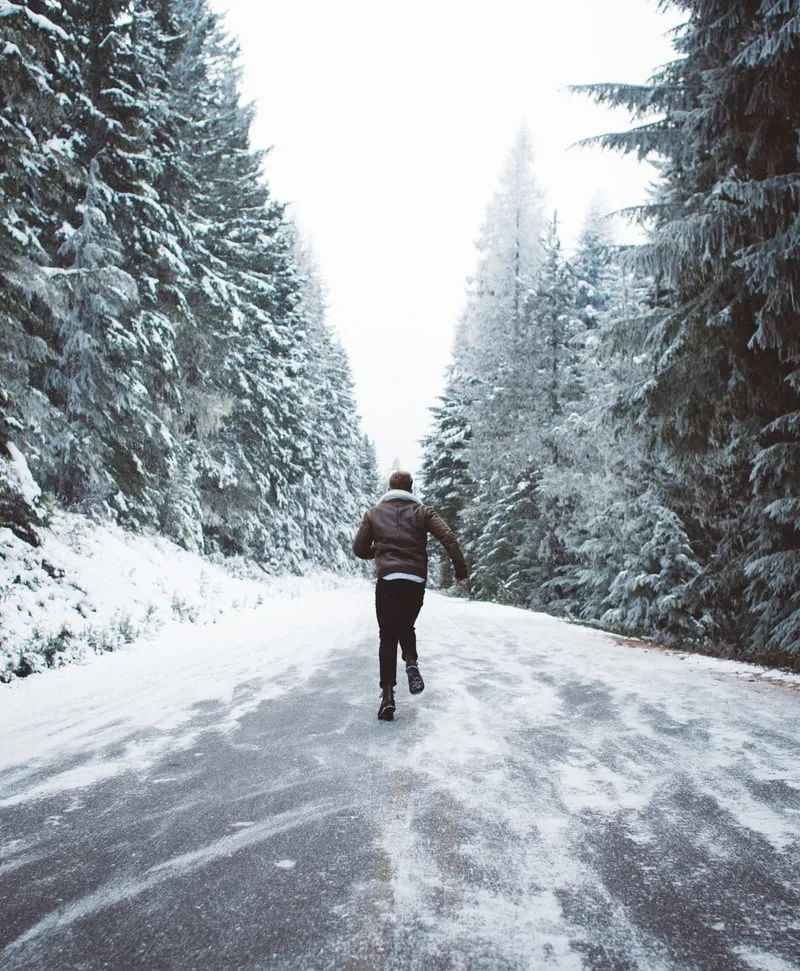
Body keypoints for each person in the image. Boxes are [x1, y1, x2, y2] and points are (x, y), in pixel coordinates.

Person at [352, 470, 468, 721]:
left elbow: (359, 549)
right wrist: (460, 569)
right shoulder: (424, 512)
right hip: (415, 579)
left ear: (389, 488)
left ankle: (388, 696)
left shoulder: (373, 513)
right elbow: (448, 537)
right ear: (411, 489)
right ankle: (411, 661)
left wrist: (380, 551)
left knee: (387, 634)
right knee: (406, 624)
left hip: (388, 580)